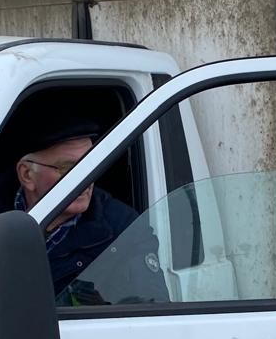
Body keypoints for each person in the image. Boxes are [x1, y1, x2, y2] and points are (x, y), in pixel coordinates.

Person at [13, 129, 169, 306]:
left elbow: (149, 313)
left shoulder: (124, 229)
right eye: (68, 169)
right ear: (27, 175)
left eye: (91, 165)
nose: (85, 179)